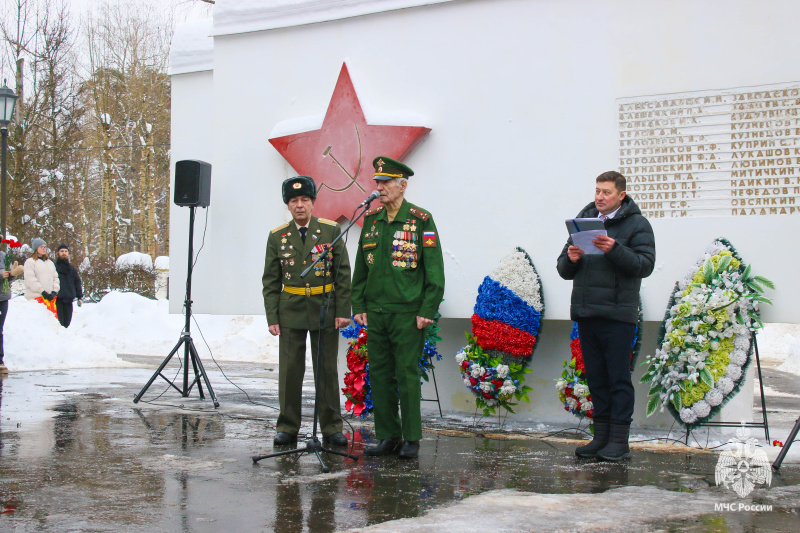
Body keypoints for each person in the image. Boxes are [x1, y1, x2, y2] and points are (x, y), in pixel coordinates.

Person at [557, 171, 655, 461]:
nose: (599, 197)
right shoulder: (583, 221)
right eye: (597, 191)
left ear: (621, 195)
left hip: (618, 315)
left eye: (606, 192)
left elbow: (644, 265)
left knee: (617, 379)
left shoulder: (637, 224)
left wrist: (615, 249)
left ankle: (619, 441)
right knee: (596, 378)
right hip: (588, 312)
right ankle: (600, 437)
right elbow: (563, 269)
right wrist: (571, 259)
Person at [351, 156, 445, 459]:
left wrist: (427, 310)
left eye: (386, 182)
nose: (379, 187)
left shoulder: (421, 220)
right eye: (377, 182)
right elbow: (360, 269)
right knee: (379, 375)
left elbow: (435, 272)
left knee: (406, 375)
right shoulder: (372, 219)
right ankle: (388, 435)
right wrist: (359, 303)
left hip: (407, 313)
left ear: (402, 185)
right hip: (376, 312)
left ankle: (411, 438)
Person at [262, 175, 352, 447]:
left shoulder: (330, 230)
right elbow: (270, 280)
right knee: (290, 372)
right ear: (288, 205)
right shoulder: (277, 236)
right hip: (291, 309)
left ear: (313, 203)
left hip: (324, 307)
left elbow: (343, 273)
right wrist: (273, 316)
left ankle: (332, 427)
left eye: (304, 200)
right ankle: (288, 426)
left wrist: (342, 310)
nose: (299, 205)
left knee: (326, 370)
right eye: (293, 201)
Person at [0, 247, 24, 375]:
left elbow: (9, 280)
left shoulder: (4, 257)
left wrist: (12, 274)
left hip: (2, 297)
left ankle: (0, 361)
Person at [24, 238, 60, 318]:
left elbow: (55, 278)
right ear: (36, 248)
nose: (44, 249)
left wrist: (54, 291)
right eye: (42, 247)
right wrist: (42, 291)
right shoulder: (30, 262)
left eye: (45, 247)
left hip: (50, 298)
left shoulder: (50, 263)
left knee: (52, 321)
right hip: (37, 297)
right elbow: (30, 279)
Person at [54, 244, 83, 328]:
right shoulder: (54, 267)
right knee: (59, 323)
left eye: (66, 251)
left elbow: (77, 282)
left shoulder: (71, 269)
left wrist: (79, 296)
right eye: (62, 251)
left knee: (67, 323)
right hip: (57, 300)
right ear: (58, 253)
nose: (64, 253)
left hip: (69, 300)